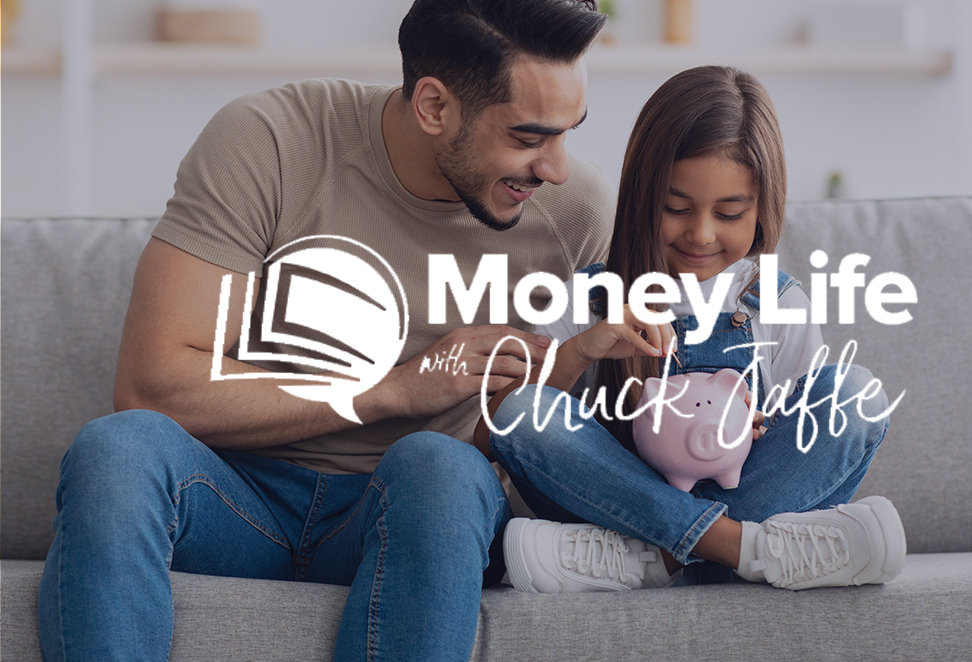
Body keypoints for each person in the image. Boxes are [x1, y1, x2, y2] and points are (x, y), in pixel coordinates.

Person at [38, 1, 613, 660]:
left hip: (410, 510)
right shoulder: (270, 140)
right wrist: (393, 390)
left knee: (443, 467)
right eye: (528, 136)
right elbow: (153, 385)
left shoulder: (577, 216)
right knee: (118, 449)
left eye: (570, 132)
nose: (556, 168)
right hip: (237, 496)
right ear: (433, 106)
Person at [474, 65, 906, 593]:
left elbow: (801, 445)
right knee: (524, 410)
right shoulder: (592, 296)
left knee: (856, 394)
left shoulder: (775, 301)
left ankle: (651, 560)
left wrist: (757, 424)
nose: (700, 234)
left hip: (647, 524)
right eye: (675, 208)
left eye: (729, 213)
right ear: (641, 196)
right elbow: (494, 430)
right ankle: (740, 550)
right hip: (611, 504)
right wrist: (585, 349)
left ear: (761, 209)